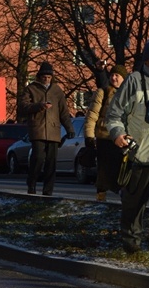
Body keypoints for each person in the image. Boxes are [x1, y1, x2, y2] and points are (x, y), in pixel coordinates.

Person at [106, 38, 149, 254]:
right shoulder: (134, 81)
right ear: (146, 60)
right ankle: (131, 245)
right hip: (139, 156)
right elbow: (114, 113)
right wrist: (117, 133)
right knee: (134, 206)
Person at [17, 62, 75, 196]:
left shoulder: (57, 91)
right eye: (44, 77)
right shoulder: (31, 89)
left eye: (49, 77)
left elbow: (64, 112)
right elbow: (23, 107)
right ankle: (31, 183)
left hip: (54, 131)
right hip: (38, 129)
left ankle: (48, 190)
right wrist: (39, 106)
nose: (47, 79)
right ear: (39, 76)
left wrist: (69, 129)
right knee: (38, 158)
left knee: (51, 162)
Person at [84, 64, 128, 201]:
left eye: (117, 75)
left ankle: (123, 199)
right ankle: (101, 198)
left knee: (122, 171)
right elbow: (92, 115)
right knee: (103, 171)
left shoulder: (129, 94)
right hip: (105, 137)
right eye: (112, 75)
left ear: (123, 78)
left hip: (122, 137)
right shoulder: (102, 92)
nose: (114, 78)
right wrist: (89, 137)